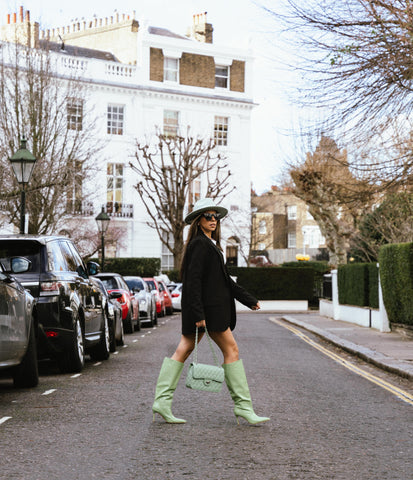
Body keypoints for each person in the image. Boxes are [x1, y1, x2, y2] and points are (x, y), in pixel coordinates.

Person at [152, 198, 270, 425]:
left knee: (183, 350)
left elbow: (224, 281)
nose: (213, 220)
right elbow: (192, 281)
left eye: (216, 216)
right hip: (208, 311)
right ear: (199, 220)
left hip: (209, 310)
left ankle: (162, 402)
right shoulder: (199, 244)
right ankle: (243, 407)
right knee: (231, 350)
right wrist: (198, 315)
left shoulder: (210, 245)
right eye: (208, 216)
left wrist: (249, 300)